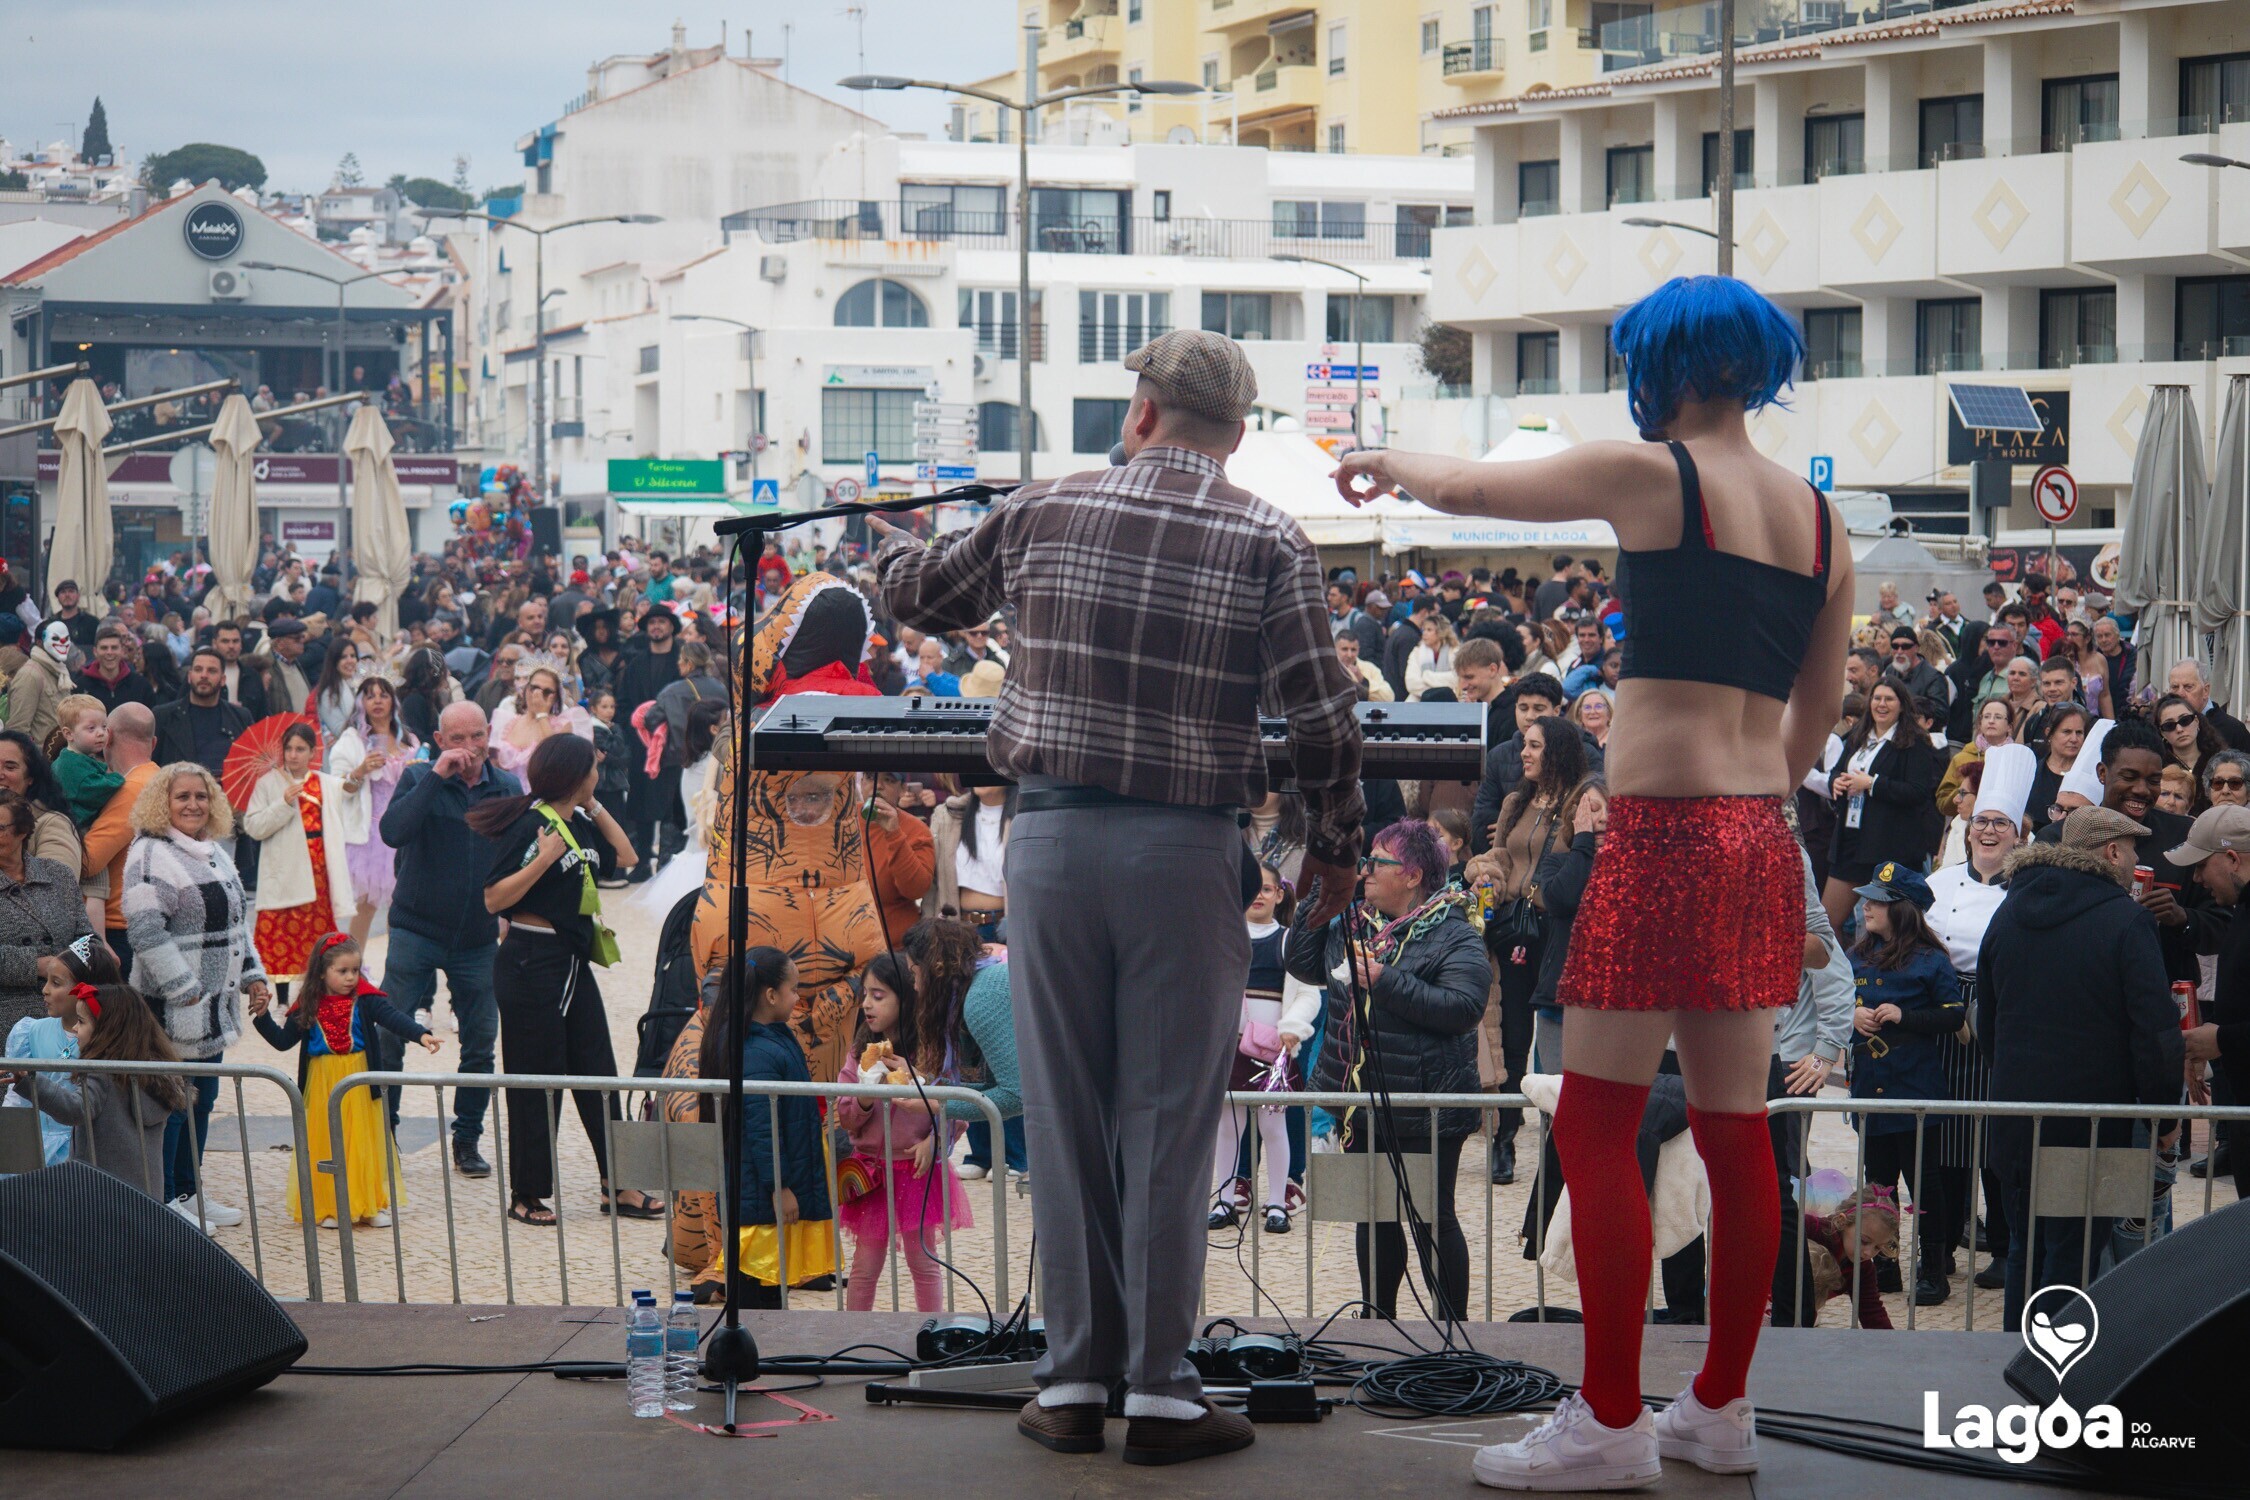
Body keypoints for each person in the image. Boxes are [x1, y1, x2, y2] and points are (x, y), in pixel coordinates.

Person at [1336, 275, 1853, 1487]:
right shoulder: (1821, 522)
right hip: (1758, 829)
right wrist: (1746, 797)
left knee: (1596, 1123)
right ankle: (1719, 1407)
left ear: (1664, 365)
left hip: (1665, 831)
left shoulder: (1654, 474)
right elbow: (1815, 718)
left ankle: (1613, 1418)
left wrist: (1382, 459)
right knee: (1736, 1128)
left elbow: (1473, 490)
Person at [875, 327, 1360, 1463]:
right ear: (1236, 437)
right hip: (1184, 852)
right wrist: (1333, 846)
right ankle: (1161, 1394)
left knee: (1065, 1115)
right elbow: (1323, 714)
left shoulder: (1042, 507)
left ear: (1139, 414)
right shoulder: (1268, 536)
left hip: (1049, 842)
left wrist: (912, 540)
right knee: (1169, 1121)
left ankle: (1075, 1383)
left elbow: (920, 596)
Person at [1979, 805, 2184, 1328]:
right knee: (2073, 1257)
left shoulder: (2008, 912)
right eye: (2132, 850)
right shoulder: (2127, 919)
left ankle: (2015, 1357)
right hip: (2092, 1122)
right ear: (2112, 852)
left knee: (2025, 1249)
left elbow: (1989, 1018)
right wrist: (2164, 1114)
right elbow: (2154, 1030)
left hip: (2016, 1117)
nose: (2136, 861)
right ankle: (2053, 1368)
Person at [1288, 819, 1485, 1319]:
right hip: (1362, 1099)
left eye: (1377, 862)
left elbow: (1464, 1007)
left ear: (1413, 875)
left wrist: (1385, 981)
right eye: (1366, 861)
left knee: (1431, 1219)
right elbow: (1301, 963)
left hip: (1425, 1104)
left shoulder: (1454, 931)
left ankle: (1453, 1332)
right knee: (1373, 1217)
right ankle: (1378, 1324)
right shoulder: (1351, 921)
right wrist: (1322, 891)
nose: (1366, 871)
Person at [469, 732, 650, 1227]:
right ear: (574, 774)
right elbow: (493, 898)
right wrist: (544, 859)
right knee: (536, 1078)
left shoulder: (580, 823)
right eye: (593, 768)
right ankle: (526, 1193)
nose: (599, 774)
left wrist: (593, 805)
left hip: (571, 961)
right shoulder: (531, 826)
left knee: (599, 1071)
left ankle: (619, 1183)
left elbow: (628, 857)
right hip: (530, 961)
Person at [120, 762, 267, 1230]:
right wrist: (183, 988)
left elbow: (236, 924)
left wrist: (254, 976)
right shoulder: (148, 853)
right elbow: (145, 932)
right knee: (172, 1106)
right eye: (181, 796)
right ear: (162, 801)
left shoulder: (212, 850)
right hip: (172, 1010)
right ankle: (165, 1201)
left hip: (213, 1011)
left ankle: (189, 1191)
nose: (192, 804)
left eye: (201, 796)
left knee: (203, 1101)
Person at [379, 702, 521, 1177]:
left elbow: (516, 855)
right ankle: (383, 1134)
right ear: (440, 741)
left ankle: (467, 1139)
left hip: (477, 936)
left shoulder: (506, 787)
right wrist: (437, 776)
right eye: (457, 739)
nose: (469, 748)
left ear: (489, 733)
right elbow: (393, 832)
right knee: (388, 1032)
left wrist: (509, 914)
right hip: (416, 927)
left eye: (477, 736)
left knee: (480, 1040)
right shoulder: (419, 777)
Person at [1465, 713, 1588, 1183]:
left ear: (1556, 751)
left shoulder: (1581, 802)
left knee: (1558, 1040)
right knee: (1514, 1038)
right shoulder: (1516, 800)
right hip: (1512, 930)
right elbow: (1501, 854)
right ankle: (1505, 1138)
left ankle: (1563, 1142)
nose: (1524, 754)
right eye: (1524, 745)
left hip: (1558, 932)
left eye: (1534, 746)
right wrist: (1485, 871)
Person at [1926, 745, 2032, 1294]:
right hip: (1942, 1019)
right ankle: (1940, 1246)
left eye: (2001, 824)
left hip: (2000, 1016)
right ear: (1967, 830)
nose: (1989, 831)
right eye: (1982, 822)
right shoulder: (1939, 885)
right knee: (1944, 1142)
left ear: (2019, 835)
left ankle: (2005, 1247)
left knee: (1996, 1142)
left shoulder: (2029, 890)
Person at [248, 932, 437, 1227]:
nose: (351, 977)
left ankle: (369, 1205)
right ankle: (330, 1206)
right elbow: (283, 1041)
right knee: (326, 1142)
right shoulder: (308, 1004)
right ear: (323, 972)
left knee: (364, 1142)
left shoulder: (366, 999)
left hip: (359, 1080)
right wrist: (262, 1018)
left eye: (355, 970)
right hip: (322, 1082)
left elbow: (392, 1017)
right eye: (343, 971)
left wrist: (420, 1034)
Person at [1843, 863, 1964, 1306]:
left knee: (1924, 1186)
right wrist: (1851, 1015)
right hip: (1871, 1089)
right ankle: (1884, 1266)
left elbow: (1953, 1015)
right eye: (1867, 898)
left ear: (1903, 910)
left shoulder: (1930, 959)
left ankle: (1932, 1270)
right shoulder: (1856, 956)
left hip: (1915, 1091)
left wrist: (1904, 1016)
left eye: (1878, 900)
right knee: (1878, 1185)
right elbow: (1835, 1002)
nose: (1867, 906)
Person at [833, 954, 972, 1312]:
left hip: (917, 1171)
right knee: (864, 1268)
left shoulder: (933, 1051)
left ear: (905, 998)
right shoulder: (860, 1053)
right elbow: (846, 1116)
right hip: (871, 1173)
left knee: (923, 1263)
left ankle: (931, 1329)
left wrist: (935, 1141)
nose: (867, 1004)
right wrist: (866, 1093)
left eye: (878, 995)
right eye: (865, 995)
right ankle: (854, 1334)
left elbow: (958, 1109)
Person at [703, 946, 836, 1307]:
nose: (798, 998)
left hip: (760, 1193)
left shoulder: (767, 1037)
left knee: (768, 1289)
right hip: (760, 1197)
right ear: (771, 995)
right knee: (757, 1293)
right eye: (794, 990)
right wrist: (780, 1186)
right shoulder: (755, 1050)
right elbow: (762, 1127)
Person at [4, 965, 185, 1195]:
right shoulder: (152, 1072)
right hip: (144, 1195)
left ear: (105, 1029)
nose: (75, 1028)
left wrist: (30, 1082)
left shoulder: (102, 1073)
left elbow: (75, 1109)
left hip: (100, 1194)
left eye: (81, 1021)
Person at [1209, 866, 1319, 1233]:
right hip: (1231, 1048)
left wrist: (1293, 1028)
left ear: (1279, 895)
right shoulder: (1225, 937)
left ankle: (1276, 1203)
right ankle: (1225, 1198)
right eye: (1253, 888)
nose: (1259, 895)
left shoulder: (1289, 941)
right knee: (1228, 1126)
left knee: (1273, 1126)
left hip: (1274, 1051)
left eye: (1267, 889)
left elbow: (1308, 993)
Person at [1819, 676, 1942, 933]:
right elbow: (1837, 771)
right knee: (1826, 923)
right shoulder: (1859, 735)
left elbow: (1919, 792)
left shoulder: (1915, 742)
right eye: (1877, 698)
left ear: (1902, 704)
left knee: (1883, 929)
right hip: (1850, 840)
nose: (1881, 704)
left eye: (1889, 699)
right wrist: (1836, 782)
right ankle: (1839, 963)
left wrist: (1873, 783)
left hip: (1887, 845)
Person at [243, 721, 361, 989]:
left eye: (300, 749)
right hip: (283, 868)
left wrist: (360, 772)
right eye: (289, 748)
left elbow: (348, 789)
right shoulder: (268, 783)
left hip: (317, 869)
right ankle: (282, 997)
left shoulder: (323, 782)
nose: (293, 755)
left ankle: (317, 992)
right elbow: (254, 827)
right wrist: (283, 802)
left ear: (312, 752)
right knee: (281, 931)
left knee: (316, 932)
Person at [2172, 804, 2250, 1201]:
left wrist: (2222, 1040)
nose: (2197, 879)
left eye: (2202, 866)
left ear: (2233, 859)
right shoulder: (2241, 909)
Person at [5, 934, 125, 1166]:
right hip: (37, 1151)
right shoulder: (29, 1032)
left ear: (86, 989)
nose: (45, 990)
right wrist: (10, 1154)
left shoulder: (110, 1039)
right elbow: (17, 1102)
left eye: (57, 983)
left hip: (88, 1153)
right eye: (47, 981)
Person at [327, 678, 418, 947]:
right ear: (360, 703)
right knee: (366, 905)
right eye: (370, 696)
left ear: (393, 701)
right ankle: (354, 963)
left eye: (383, 695)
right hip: (370, 834)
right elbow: (338, 789)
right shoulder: (351, 741)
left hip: (404, 829)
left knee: (400, 905)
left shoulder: (409, 740)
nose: (377, 701)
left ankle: (396, 962)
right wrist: (361, 770)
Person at [0, 788, 92, 1036]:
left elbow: (87, 938)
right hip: (8, 1019)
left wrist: (73, 964)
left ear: (22, 831)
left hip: (68, 1016)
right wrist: (36, 965)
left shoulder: (58, 875)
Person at [78, 705, 161, 966]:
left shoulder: (133, 788)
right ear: (154, 743)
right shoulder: (160, 779)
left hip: (118, 927)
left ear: (109, 736)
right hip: (147, 919)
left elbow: (88, 861)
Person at [612, 604, 678, 879]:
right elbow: (623, 704)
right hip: (641, 745)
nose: (656, 626)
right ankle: (641, 864)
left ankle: (668, 863)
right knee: (641, 804)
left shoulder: (681, 662)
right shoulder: (636, 664)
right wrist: (637, 731)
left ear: (671, 626)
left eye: (661, 621)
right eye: (652, 622)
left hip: (674, 746)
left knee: (673, 804)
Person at [926, 784, 1013, 943]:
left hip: (1007, 928)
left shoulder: (1022, 816)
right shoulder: (948, 815)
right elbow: (932, 879)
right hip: (959, 928)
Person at [152, 648, 253, 775]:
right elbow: (151, 765)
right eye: (198, 669)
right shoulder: (164, 716)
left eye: (212, 671)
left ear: (223, 680)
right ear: (189, 676)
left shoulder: (240, 717)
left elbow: (251, 763)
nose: (204, 675)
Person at [864, 772, 935, 941]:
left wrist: (894, 833)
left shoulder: (917, 830)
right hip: (844, 944)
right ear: (860, 783)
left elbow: (916, 889)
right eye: (870, 778)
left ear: (903, 789)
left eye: (888, 780)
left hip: (895, 946)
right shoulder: (844, 821)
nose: (877, 786)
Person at [5, 619, 75, 746]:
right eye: (55, 638)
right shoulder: (30, 675)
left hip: (61, 754)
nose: (62, 643)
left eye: (66, 638)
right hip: (42, 756)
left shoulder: (60, 672)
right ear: (39, 642)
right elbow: (17, 730)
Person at [2166, 658, 2250, 751]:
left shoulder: (2233, 729)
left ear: (2205, 690)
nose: (2180, 693)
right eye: (2175, 687)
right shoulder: (2164, 727)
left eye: (2188, 687)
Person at [2155, 691, 2225, 795]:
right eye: (2169, 725)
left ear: (2196, 721)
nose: (2179, 729)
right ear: (2162, 733)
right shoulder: (2156, 767)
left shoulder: (2221, 762)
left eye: (2185, 720)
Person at [78, 625, 153, 715]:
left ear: (122, 651)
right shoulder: (81, 687)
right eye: (104, 648)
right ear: (95, 652)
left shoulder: (141, 686)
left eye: (114, 647)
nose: (109, 652)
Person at [309, 637, 363, 741]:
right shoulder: (328, 693)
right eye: (343, 657)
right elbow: (339, 731)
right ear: (334, 662)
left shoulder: (363, 685)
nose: (350, 661)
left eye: (353, 656)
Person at [1406, 613, 1459, 701]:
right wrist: (1440, 691)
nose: (1424, 633)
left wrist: (1427, 676)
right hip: (1420, 699)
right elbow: (1412, 683)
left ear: (1441, 632)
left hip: (1450, 700)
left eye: (1429, 630)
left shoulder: (1455, 651)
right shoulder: (1416, 652)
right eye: (1423, 630)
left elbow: (1456, 679)